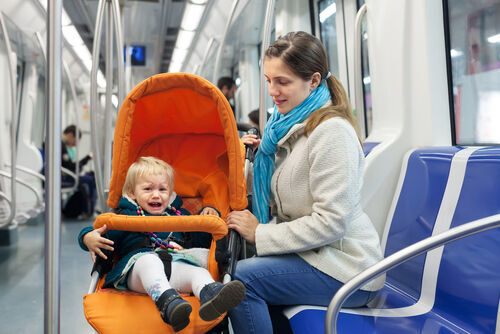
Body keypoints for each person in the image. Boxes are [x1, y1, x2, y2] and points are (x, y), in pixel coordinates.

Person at [226, 31, 385, 333]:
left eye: (282, 81)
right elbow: (286, 194)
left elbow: (331, 223)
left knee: (242, 279)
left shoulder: (331, 133)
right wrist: (261, 159)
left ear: (313, 81)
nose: (273, 90)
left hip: (347, 266)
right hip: (316, 256)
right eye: (269, 80)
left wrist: (260, 233)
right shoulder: (287, 131)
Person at [78, 156, 245, 332]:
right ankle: (168, 303)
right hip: (138, 272)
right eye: (148, 189)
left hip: (176, 263)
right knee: (149, 261)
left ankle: (210, 294)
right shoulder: (124, 217)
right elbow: (102, 234)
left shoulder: (179, 215)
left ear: (171, 192)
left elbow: (201, 241)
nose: (156, 195)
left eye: (162, 189)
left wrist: (207, 215)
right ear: (133, 193)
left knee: (198, 272)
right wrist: (87, 237)